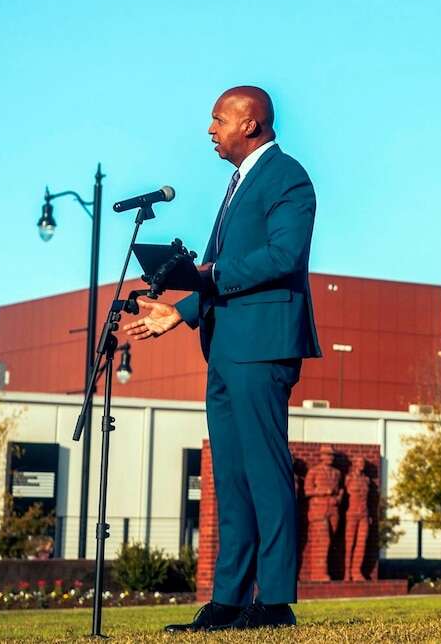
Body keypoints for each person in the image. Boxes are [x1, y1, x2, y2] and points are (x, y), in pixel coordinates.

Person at [126, 85, 321, 631]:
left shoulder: (288, 178)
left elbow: (283, 256)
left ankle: (276, 601)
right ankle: (229, 601)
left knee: (265, 472)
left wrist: (208, 276)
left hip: (263, 346)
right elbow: (220, 266)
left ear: (251, 124)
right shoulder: (237, 185)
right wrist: (179, 311)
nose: (210, 130)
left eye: (218, 120)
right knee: (230, 478)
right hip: (226, 345)